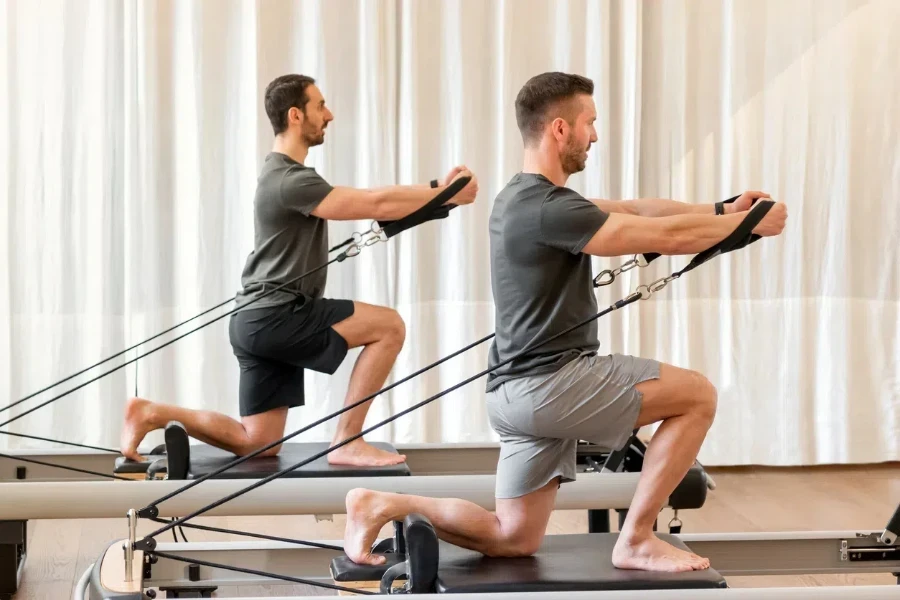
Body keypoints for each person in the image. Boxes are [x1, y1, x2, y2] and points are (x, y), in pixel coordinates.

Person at [342, 72, 787, 570]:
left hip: (513, 394)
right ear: (560, 129)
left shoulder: (524, 198)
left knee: (513, 537)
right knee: (698, 395)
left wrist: (721, 209)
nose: (594, 135)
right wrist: (744, 226)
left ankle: (381, 504)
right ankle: (636, 538)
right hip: (551, 385)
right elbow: (655, 234)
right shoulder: (548, 209)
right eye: (589, 123)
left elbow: (637, 210)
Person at [120, 74, 479, 468]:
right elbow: (375, 203)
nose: (330, 114)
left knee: (258, 442)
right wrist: (445, 194)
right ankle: (347, 441)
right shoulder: (289, 180)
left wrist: (439, 190)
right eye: (320, 105)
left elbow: (380, 203)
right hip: (276, 316)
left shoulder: (281, 175)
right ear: (295, 115)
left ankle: (151, 413)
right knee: (389, 326)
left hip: (255, 321)